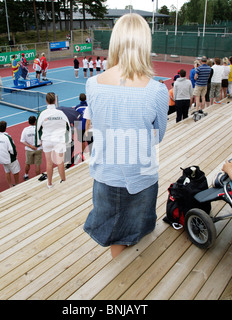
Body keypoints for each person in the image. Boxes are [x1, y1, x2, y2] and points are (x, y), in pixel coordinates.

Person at [83, 13, 169, 259]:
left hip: (106, 173)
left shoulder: (92, 83)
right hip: (140, 174)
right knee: (137, 234)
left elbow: (95, 126)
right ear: (145, 43)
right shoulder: (157, 91)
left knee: (116, 237)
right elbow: (157, 136)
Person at [36, 92, 71, 188]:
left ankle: (49, 183)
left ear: (46, 101)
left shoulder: (42, 114)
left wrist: (38, 142)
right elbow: (68, 126)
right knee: (60, 162)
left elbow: (37, 128)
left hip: (47, 141)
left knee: (49, 163)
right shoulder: (61, 113)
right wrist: (68, 140)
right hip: (59, 141)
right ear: (55, 101)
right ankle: (63, 182)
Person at [0, 121, 21, 188]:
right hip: (10, 158)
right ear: (5, 128)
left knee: (7, 171)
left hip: (2, 158)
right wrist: (15, 156)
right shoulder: (7, 137)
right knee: (16, 172)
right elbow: (12, 149)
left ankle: (10, 185)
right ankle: (17, 184)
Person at [21, 116, 44, 181]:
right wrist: (38, 145)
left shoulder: (25, 130)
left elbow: (22, 141)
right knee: (37, 164)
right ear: (35, 122)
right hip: (38, 149)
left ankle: (26, 175)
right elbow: (43, 138)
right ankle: (38, 177)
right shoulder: (39, 129)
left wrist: (30, 146)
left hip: (29, 150)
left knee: (27, 163)